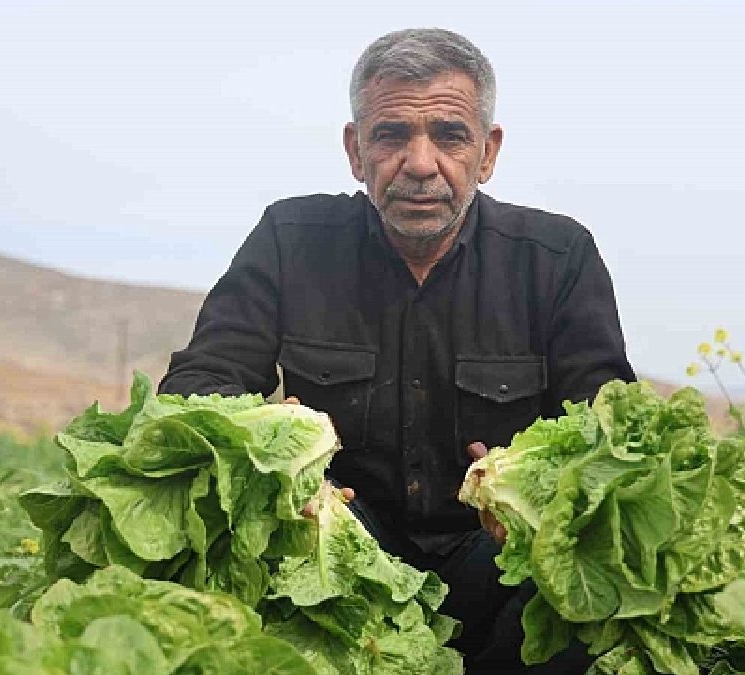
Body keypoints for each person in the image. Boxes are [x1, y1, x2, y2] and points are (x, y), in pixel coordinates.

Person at [159, 28, 636, 674]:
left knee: (594, 604)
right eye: (390, 136)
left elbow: (611, 434)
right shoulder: (287, 240)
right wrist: (269, 448)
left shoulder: (557, 260)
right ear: (356, 151)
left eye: (449, 135)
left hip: (498, 571)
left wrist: (531, 487)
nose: (419, 162)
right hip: (339, 564)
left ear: (487, 152)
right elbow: (198, 384)